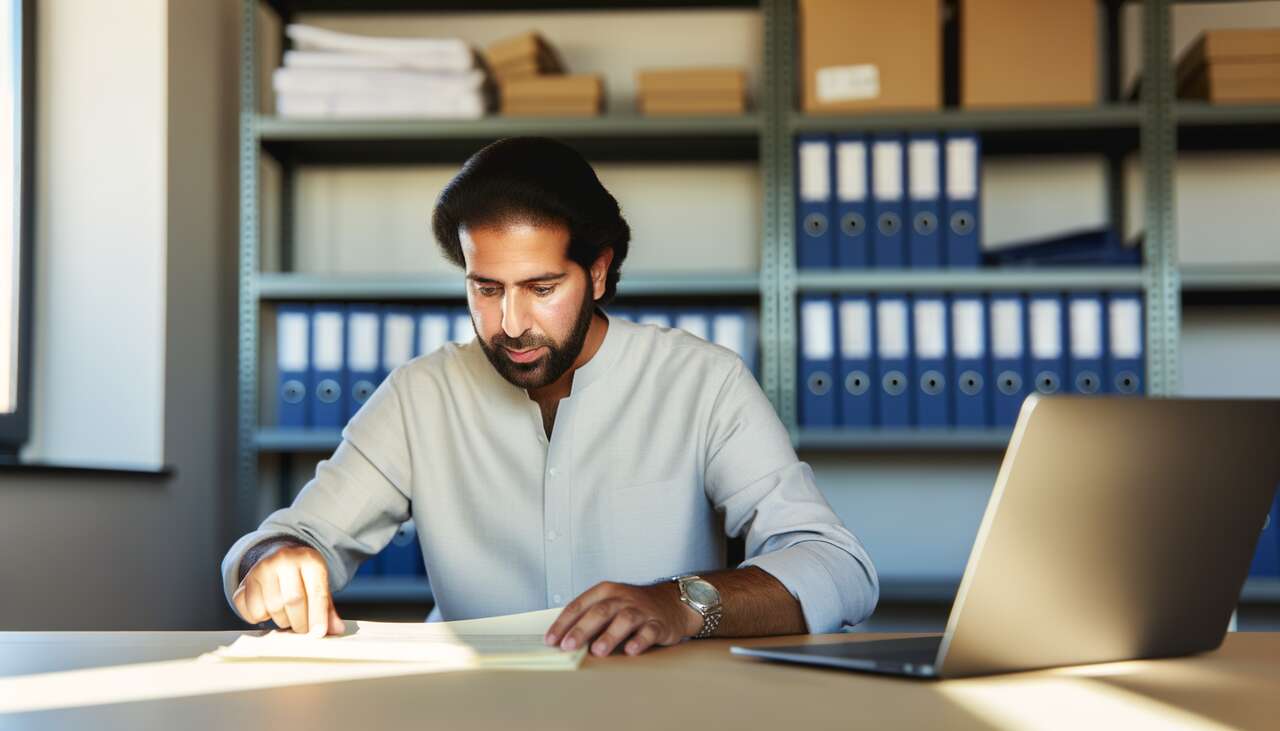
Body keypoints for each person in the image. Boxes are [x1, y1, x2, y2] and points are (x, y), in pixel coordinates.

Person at [221, 137, 878, 657]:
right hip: (474, 709)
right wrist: (273, 561)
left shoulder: (701, 382)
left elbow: (836, 564)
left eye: (541, 287)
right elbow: (284, 539)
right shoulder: (422, 394)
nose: (509, 323)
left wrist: (679, 601)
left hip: (663, 707)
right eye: (486, 288)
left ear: (596, 269)